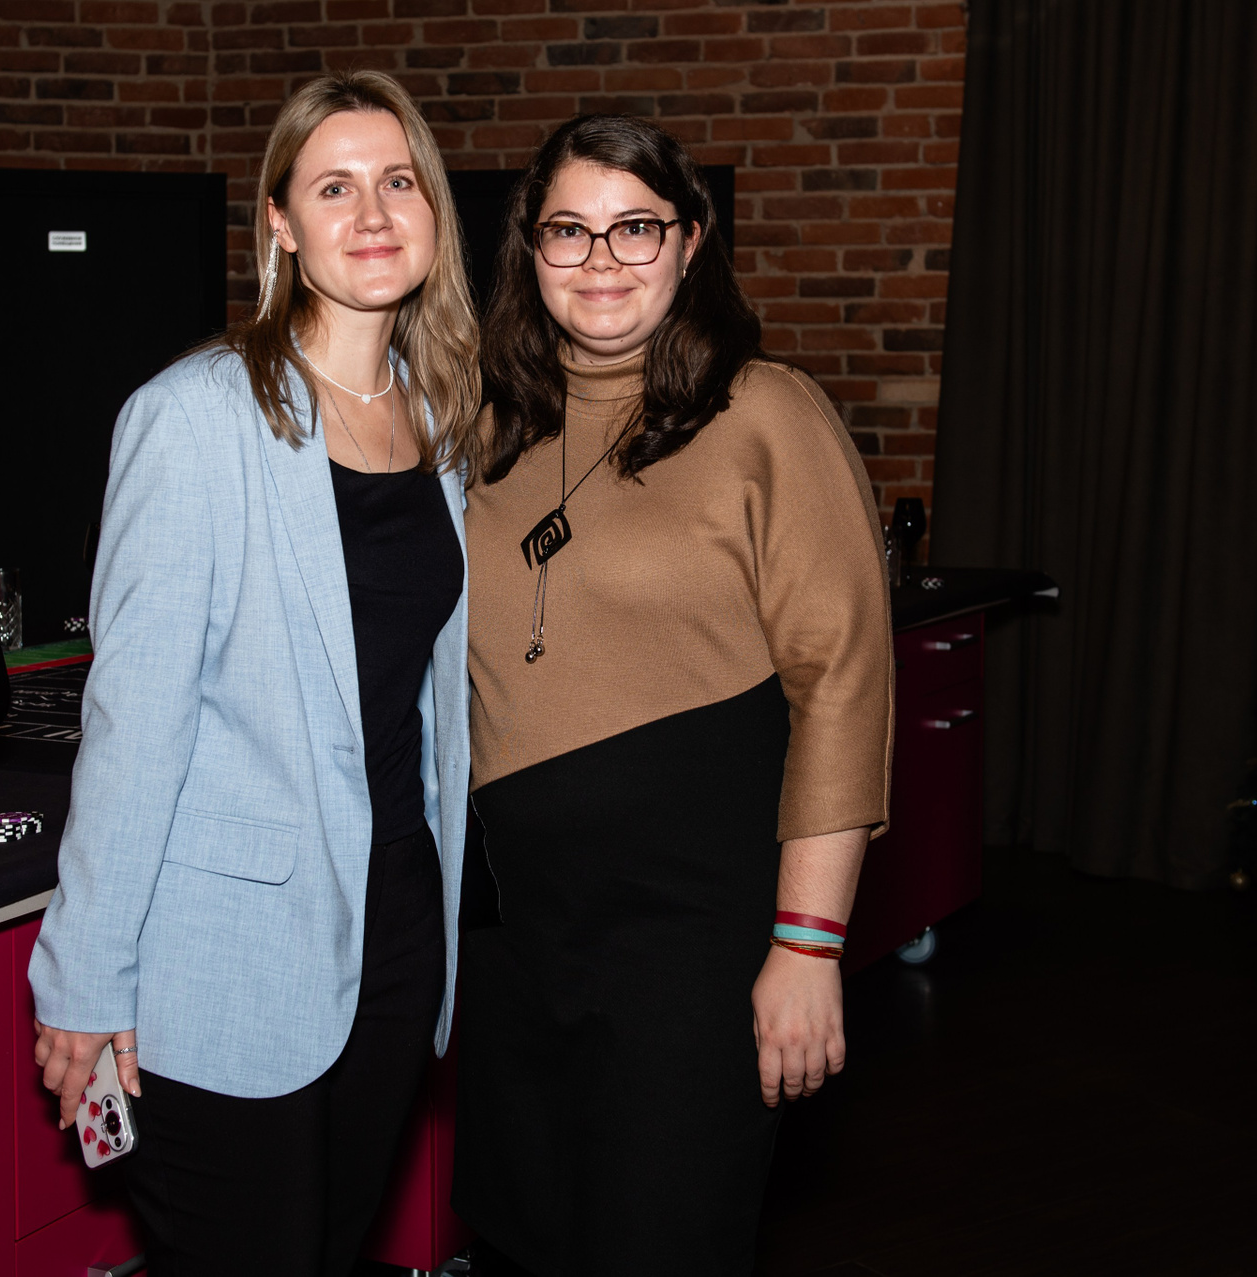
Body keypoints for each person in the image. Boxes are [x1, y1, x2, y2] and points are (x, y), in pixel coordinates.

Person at [26, 70, 480, 1276]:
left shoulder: (440, 422)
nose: (372, 213)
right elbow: (133, 725)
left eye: (398, 182)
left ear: (431, 212)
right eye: (334, 187)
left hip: (394, 937)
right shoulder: (196, 417)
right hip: (228, 955)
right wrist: (84, 977)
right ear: (280, 222)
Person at [455, 114, 894, 1275]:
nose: (601, 259)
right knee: (524, 1241)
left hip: (691, 943)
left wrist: (807, 947)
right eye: (569, 230)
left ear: (691, 241)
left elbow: (844, 681)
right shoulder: (486, 429)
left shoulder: (766, 413)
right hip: (512, 938)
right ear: (530, 249)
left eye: (635, 228)